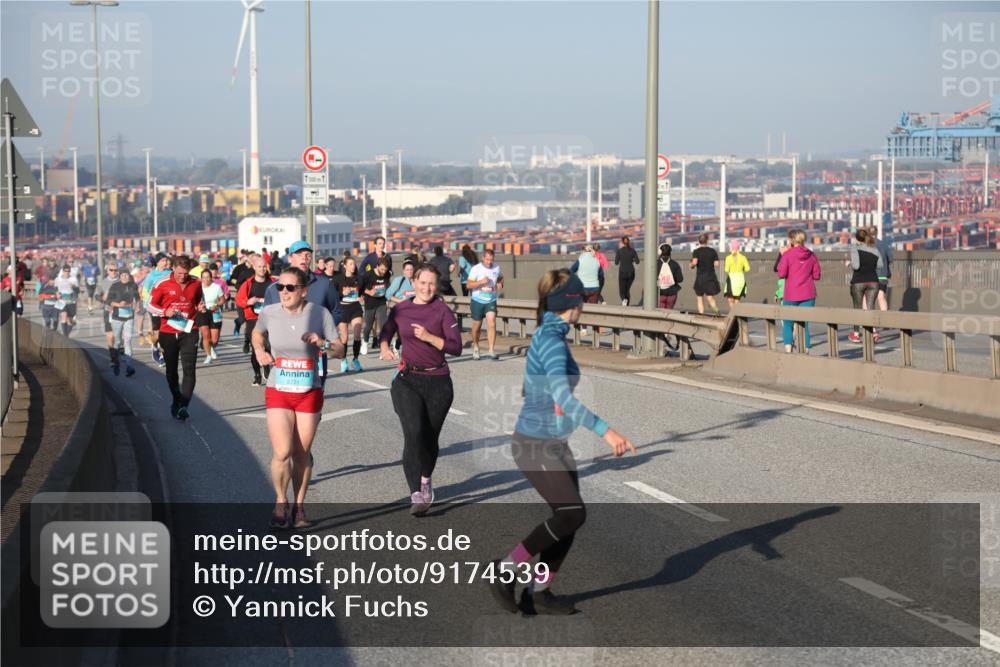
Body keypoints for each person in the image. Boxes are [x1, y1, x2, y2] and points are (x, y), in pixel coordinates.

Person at [487, 269, 635, 616]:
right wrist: (607, 431)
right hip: (534, 443)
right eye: (581, 296)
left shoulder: (552, 334)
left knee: (568, 517)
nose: (584, 302)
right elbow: (564, 400)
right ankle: (505, 569)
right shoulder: (551, 340)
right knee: (571, 513)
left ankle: (539, 590)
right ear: (573, 302)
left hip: (552, 441)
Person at [253, 266, 344, 529]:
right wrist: (260, 350)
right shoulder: (269, 312)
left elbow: (339, 349)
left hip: (308, 392)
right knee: (282, 451)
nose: (283, 292)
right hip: (278, 389)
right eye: (280, 287)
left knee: (301, 452)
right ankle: (281, 502)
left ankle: (299, 508)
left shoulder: (319, 313)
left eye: (290, 288)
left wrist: (322, 343)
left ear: (303, 291)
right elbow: (257, 333)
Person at [378, 263, 462, 516]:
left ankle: (426, 480)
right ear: (413, 282)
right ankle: (416, 492)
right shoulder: (401, 309)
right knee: (414, 432)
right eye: (422, 282)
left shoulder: (442, 311)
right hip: (408, 378)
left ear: (436, 286)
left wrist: (429, 338)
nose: (426, 287)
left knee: (429, 439)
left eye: (431, 283)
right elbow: (386, 331)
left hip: (438, 382)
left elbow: (456, 347)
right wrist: (384, 347)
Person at [263, 241, 340, 382]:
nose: (304, 258)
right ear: (290, 258)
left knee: (315, 395)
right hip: (284, 354)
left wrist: (324, 334)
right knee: (284, 395)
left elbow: (336, 311)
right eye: (299, 254)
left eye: (308, 255)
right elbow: (265, 321)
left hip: (314, 352)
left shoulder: (324, 284)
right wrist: (265, 348)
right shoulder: (275, 288)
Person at [147, 255, 206, 421]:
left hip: (189, 330)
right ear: (173, 269)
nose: (182, 276)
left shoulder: (196, 282)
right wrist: (164, 312)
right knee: (171, 371)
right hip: (168, 332)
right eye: (179, 273)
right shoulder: (162, 283)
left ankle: (184, 406)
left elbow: (200, 302)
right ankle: (176, 399)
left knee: (189, 369)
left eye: (185, 273)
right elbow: (150, 305)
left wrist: (201, 307)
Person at [777, 229, 821, 353]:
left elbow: (781, 273)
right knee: (804, 324)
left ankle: (788, 351)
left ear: (791, 240)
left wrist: (782, 255)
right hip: (808, 294)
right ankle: (805, 350)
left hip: (791, 294)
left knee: (788, 324)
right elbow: (817, 276)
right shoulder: (812, 255)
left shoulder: (787, 255)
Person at [236, 254, 275, 385]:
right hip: (253, 319)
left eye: (264, 266)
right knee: (256, 349)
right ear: (254, 267)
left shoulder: (273, 282)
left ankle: (266, 366)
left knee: (269, 346)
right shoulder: (248, 284)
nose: (262, 269)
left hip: (270, 319)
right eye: (259, 266)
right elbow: (239, 301)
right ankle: (257, 375)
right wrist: (249, 301)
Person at [467, 248, 504, 360]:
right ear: (483, 258)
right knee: (477, 326)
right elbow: (468, 285)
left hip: (491, 300)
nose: (489, 262)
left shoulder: (496, 268)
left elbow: (501, 278)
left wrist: (500, 284)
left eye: (491, 260)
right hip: (477, 300)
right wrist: (480, 282)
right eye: (487, 259)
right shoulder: (476, 269)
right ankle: (476, 347)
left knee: (492, 322)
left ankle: (491, 350)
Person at [847, 228, 883, 344]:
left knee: (857, 307)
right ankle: (874, 331)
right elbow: (880, 265)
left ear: (857, 238)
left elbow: (856, 266)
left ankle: (856, 334)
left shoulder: (855, 248)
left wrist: (849, 263)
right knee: (871, 306)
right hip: (873, 281)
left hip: (859, 281)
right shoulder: (875, 249)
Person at [106, 266, 140, 377]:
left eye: (126, 275)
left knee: (128, 340)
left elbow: (137, 299)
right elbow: (108, 301)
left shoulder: (133, 285)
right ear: (119, 276)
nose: (125, 277)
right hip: (117, 317)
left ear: (129, 276)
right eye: (122, 275)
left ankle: (129, 367)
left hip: (129, 316)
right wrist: (118, 305)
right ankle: (116, 363)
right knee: (117, 341)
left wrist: (136, 306)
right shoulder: (115, 286)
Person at [332, 256, 365, 372]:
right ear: (345, 265)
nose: (353, 266)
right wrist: (342, 293)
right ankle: (344, 360)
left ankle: (355, 360)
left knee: (357, 334)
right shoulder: (337, 279)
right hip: (342, 308)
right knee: (344, 338)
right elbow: (332, 296)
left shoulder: (359, 279)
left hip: (355, 307)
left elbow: (362, 292)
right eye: (350, 264)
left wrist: (362, 297)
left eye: (354, 264)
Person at [142, 253, 173, 366]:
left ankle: (162, 357)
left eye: (166, 260)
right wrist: (148, 304)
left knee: (167, 334)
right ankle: (154, 346)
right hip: (154, 307)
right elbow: (145, 292)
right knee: (158, 335)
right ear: (158, 262)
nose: (165, 262)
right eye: (163, 261)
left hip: (168, 307)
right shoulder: (151, 275)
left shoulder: (170, 273)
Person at [360, 257, 391, 356]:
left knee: (383, 325)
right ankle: (365, 342)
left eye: (385, 270)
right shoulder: (368, 275)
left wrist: (387, 298)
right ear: (377, 266)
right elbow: (360, 288)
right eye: (381, 269)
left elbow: (388, 286)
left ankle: (384, 347)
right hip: (370, 302)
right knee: (368, 326)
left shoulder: (387, 274)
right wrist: (369, 292)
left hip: (381, 302)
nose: (383, 272)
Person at [570, 245, 602, 335]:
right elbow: (601, 275)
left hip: (582, 288)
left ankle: (584, 329)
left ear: (583, 251)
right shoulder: (597, 261)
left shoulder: (580, 260)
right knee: (594, 309)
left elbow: (571, 271)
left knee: (582, 308)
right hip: (595, 288)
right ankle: (596, 329)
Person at [197, 268, 226, 364]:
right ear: (201, 278)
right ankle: (208, 355)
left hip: (215, 312)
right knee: (206, 335)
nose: (206, 279)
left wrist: (217, 305)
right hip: (202, 312)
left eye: (208, 277)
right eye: (204, 277)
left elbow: (222, 300)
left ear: (211, 277)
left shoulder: (216, 287)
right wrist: (198, 307)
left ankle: (211, 346)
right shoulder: (198, 287)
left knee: (214, 340)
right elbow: (193, 301)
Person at [94, 264, 121, 367]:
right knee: (110, 335)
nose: (114, 272)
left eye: (115, 270)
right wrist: (102, 299)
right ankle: (112, 356)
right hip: (108, 311)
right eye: (111, 270)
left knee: (119, 335)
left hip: (121, 311)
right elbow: (97, 295)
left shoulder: (122, 281)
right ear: (107, 271)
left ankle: (119, 350)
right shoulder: (103, 283)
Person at [689, 234, 721, 315]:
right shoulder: (712, 251)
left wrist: (691, 265)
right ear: (707, 241)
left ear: (698, 241)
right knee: (710, 297)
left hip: (700, 278)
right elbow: (717, 264)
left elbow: (695, 262)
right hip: (710, 277)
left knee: (700, 298)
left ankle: (701, 315)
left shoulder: (696, 251)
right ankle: (716, 311)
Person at [867, 225, 892, 313]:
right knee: (881, 297)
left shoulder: (867, 246)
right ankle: (886, 321)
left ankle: (869, 323)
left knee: (870, 299)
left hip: (870, 276)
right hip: (882, 276)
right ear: (877, 233)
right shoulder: (884, 245)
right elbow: (891, 259)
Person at [53, 264, 79, 336]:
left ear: (70, 271)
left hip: (71, 301)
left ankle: (66, 335)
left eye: (68, 271)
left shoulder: (73, 279)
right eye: (65, 271)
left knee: (70, 321)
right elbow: (55, 288)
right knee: (63, 317)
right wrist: (57, 293)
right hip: (61, 300)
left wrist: (73, 287)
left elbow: (78, 291)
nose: (67, 272)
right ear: (63, 271)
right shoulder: (58, 279)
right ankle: (65, 336)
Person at [655, 243, 684, 309]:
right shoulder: (675, 264)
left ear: (660, 252)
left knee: (661, 313)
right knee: (669, 312)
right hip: (672, 293)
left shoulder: (655, 264)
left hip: (660, 293)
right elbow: (680, 279)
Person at [724, 240, 750, 305]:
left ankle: (734, 314)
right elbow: (747, 269)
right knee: (737, 300)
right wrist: (741, 269)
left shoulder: (728, 258)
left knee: (730, 300)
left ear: (732, 248)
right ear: (739, 248)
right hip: (740, 279)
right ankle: (737, 314)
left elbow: (726, 270)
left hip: (732, 279)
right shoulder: (743, 257)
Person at [614, 236, 639, 306]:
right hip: (631, 272)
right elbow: (637, 262)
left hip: (622, 272)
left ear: (622, 243)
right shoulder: (633, 251)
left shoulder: (619, 251)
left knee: (622, 291)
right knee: (627, 290)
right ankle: (627, 304)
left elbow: (616, 263)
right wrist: (631, 259)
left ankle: (624, 300)